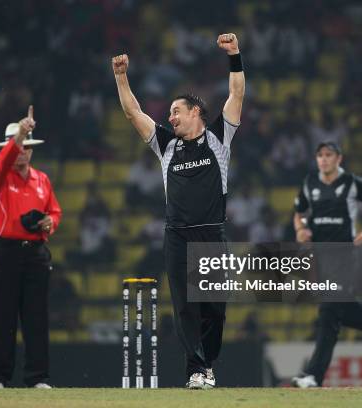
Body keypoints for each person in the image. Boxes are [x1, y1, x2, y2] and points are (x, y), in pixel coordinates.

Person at [112, 33, 245, 389]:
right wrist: (121, 77)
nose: (170, 117)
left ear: (196, 112)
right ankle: (196, 371)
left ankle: (208, 364)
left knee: (215, 308)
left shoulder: (220, 136)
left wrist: (234, 55)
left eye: (176, 111)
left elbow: (237, 94)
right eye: (169, 112)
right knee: (185, 307)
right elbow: (132, 112)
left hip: (212, 234)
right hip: (177, 235)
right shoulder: (166, 145)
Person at [291, 141, 362, 388]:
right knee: (339, 309)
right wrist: (299, 229)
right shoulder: (310, 183)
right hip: (320, 257)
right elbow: (298, 212)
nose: (323, 160)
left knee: (328, 312)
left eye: (328, 155)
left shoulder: (352, 183)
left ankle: (313, 376)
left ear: (339, 159)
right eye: (320, 155)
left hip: (345, 255)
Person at [0, 105, 61, 389]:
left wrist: (48, 224)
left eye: (27, 146)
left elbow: (55, 211)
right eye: (19, 145)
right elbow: (2, 160)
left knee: (36, 319)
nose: (23, 150)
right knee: (3, 317)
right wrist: (20, 131)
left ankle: (38, 378)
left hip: (35, 254)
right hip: (5, 251)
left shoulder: (42, 179)